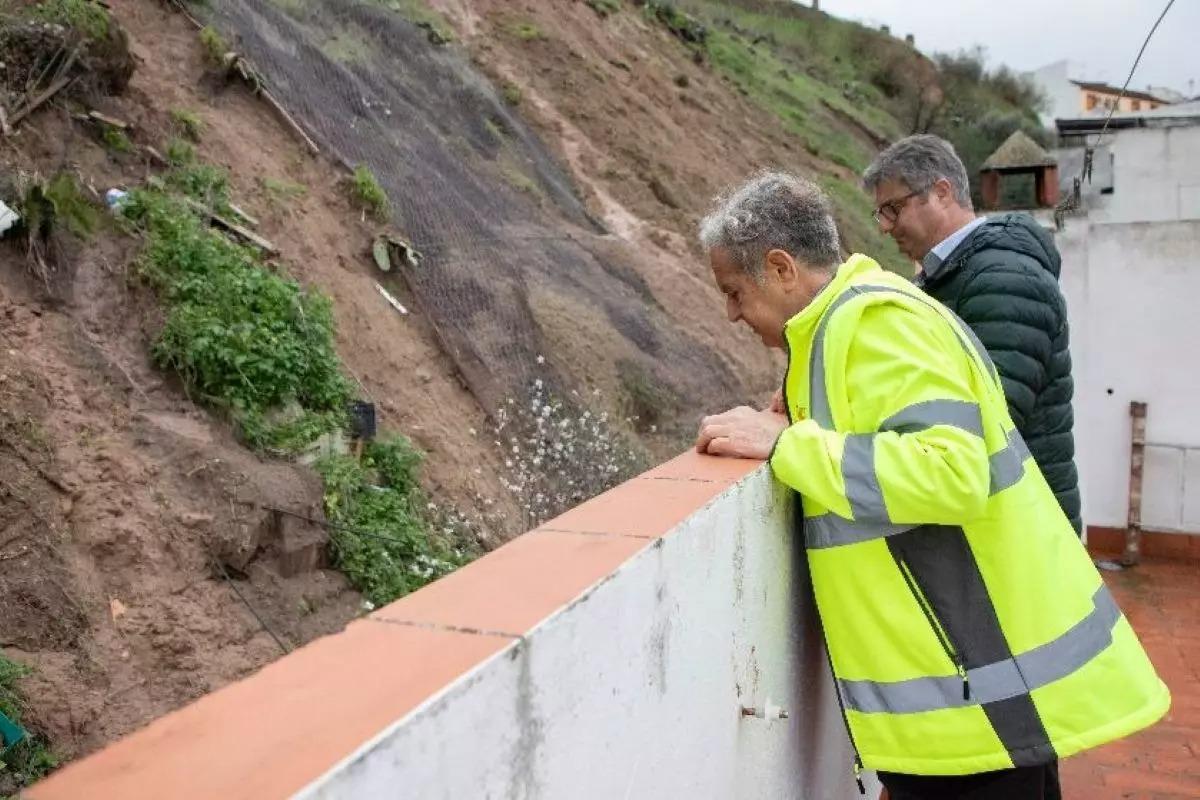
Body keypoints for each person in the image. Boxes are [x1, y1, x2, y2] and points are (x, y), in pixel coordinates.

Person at [694, 173, 1168, 800]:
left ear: (780, 268)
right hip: (960, 703)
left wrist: (787, 444)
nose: (729, 313)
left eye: (733, 291)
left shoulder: (875, 324)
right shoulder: (841, 329)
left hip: (975, 709)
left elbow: (951, 471)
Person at [861, 134, 1082, 535]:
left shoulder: (1002, 278)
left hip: (1026, 533)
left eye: (893, 209)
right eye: (881, 213)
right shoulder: (952, 276)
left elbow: (988, 421)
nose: (886, 228)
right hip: (1006, 520)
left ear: (941, 192)